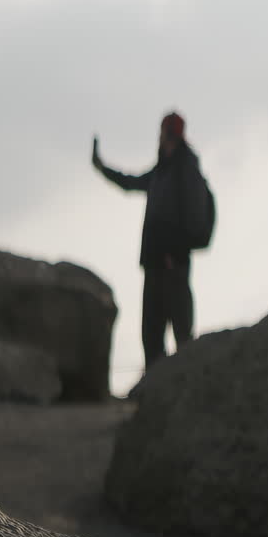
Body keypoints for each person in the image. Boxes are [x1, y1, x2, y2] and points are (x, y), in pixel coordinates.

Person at [91, 112, 208, 371]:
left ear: (170, 135)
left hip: (173, 265)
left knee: (181, 333)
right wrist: (102, 169)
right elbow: (130, 183)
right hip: (155, 265)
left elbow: (192, 216)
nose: (159, 138)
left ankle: (184, 387)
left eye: (163, 132)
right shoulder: (161, 172)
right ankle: (156, 392)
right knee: (152, 334)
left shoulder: (185, 169)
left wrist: (174, 251)